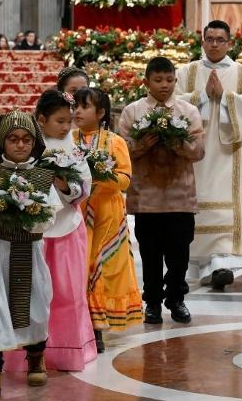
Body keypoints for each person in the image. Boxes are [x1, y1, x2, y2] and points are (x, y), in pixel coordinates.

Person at [3, 90, 96, 373]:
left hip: (68, 231)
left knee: (68, 293)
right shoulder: (25, 147)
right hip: (31, 234)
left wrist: (64, 185)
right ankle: (29, 355)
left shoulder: (74, 149)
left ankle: (66, 353)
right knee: (29, 294)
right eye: (59, 121)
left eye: (69, 121)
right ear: (41, 119)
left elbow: (84, 188)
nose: (67, 127)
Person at [175, 20, 242, 290]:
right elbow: (173, 102)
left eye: (220, 39)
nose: (214, 44)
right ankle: (203, 262)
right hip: (196, 151)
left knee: (227, 201)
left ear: (229, 43)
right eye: (209, 39)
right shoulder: (186, 72)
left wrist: (225, 98)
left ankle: (221, 263)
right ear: (202, 41)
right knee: (198, 202)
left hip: (230, 150)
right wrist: (202, 96)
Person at [119, 57, 205, 325]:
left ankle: (177, 300)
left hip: (180, 196)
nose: (164, 85)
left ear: (175, 81)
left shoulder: (188, 111)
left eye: (169, 80)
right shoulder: (132, 112)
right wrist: (143, 144)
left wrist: (176, 143)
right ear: (146, 82)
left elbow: (199, 151)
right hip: (147, 198)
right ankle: (153, 303)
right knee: (151, 254)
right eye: (158, 80)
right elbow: (122, 151)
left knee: (180, 255)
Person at [0, 111, 62, 398]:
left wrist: (31, 215)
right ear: (1, 142)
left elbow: (51, 214)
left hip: (29, 250)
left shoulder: (42, 175)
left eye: (26, 139)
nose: (20, 145)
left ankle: (36, 356)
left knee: (36, 305)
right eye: (13, 139)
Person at [73, 88, 142, 352]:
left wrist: (100, 176)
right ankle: (82, 323)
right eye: (75, 107)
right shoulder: (70, 139)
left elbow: (124, 179)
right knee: (81, 265)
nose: (77, 112)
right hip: (79, 212)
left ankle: (99, 327)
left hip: (108, 214)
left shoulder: (115, 142)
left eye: (84, 107)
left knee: (103, 264)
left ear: (100, 113)